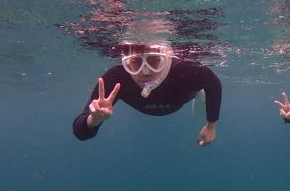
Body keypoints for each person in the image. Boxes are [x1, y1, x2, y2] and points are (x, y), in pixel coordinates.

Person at [73, 41, 222, 146]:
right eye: (136, 62)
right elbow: (80, 133)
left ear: (168, 58)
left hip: (185, 96)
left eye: (155, 60)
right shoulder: (116, 78)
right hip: (174, 101)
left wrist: (211, 125)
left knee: (199, 88)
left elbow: (214, 85)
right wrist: (94, 119)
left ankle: (199, 93)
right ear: (126, 62)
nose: (146, 71)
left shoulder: (189, 70)